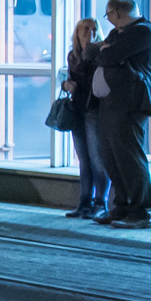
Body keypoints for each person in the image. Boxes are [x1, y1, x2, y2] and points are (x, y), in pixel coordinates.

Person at [87, 0, 151, 228]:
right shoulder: (117, 34)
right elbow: (94, 53)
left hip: (129, 102)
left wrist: (106, 52)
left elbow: (108, 55)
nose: (107, 20)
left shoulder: (142, 32)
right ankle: (121, 207)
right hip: (110, 102)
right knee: (111, 156)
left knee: (129, 156)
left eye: (108, 15)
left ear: (117, 13)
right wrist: (105, 52)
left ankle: (140, 211)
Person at [60, 18, 108, 219]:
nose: (90, 33)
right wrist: (66, 86)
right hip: (78, 109)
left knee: (97, 159)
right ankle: (84, 201)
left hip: (93, 110)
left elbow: (94, 82)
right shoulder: (74, 56)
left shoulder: (100, 54)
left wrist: (91, 53)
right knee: (84, 159)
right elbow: (73, 78)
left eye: (94, 29)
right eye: (85, 29)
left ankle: (101, 201)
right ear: (77, 34)